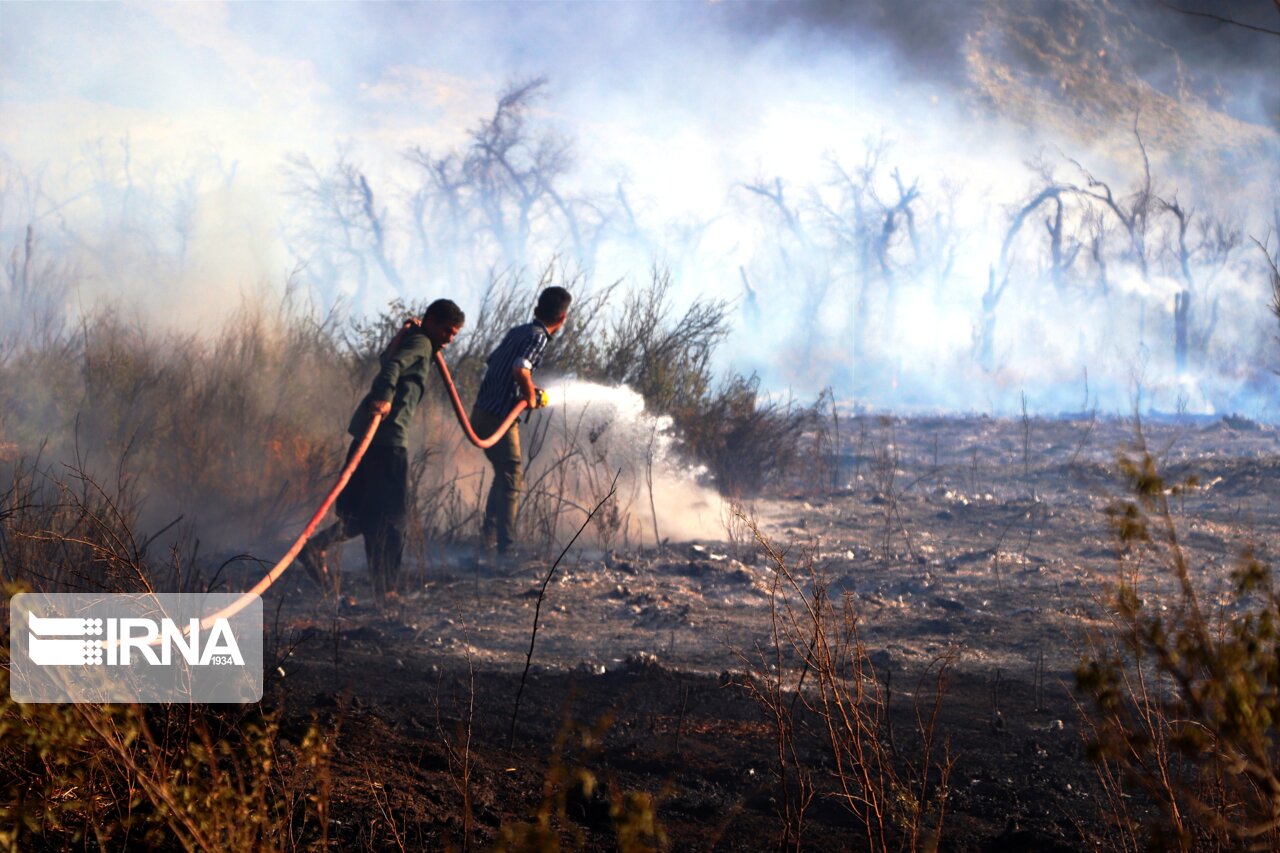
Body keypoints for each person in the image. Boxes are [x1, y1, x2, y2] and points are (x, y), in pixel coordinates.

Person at [300, 299, 466, 601]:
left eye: (455, 334)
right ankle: (386, 590)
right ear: (432, 322)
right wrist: (384, 396)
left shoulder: (419, 341)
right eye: (447, 331)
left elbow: (386, 357)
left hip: (371, 439)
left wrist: (407, 334)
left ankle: (315, 547)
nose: (450, 339)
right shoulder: (422, 343)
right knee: (393, 519)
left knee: (363, 515)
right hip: (388, 442)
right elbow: (393, 365)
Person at [471, 286, 571, 558]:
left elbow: (494, 362)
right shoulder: (539, 337)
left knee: (503, 473)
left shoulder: (517, 331)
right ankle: (506, 549)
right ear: (562, 320)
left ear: (536, 310)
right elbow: (520, 368)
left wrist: (528, 391)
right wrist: (529, 394)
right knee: (513, 475)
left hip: (480, 413)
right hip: (499, 419)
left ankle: (487, 539)